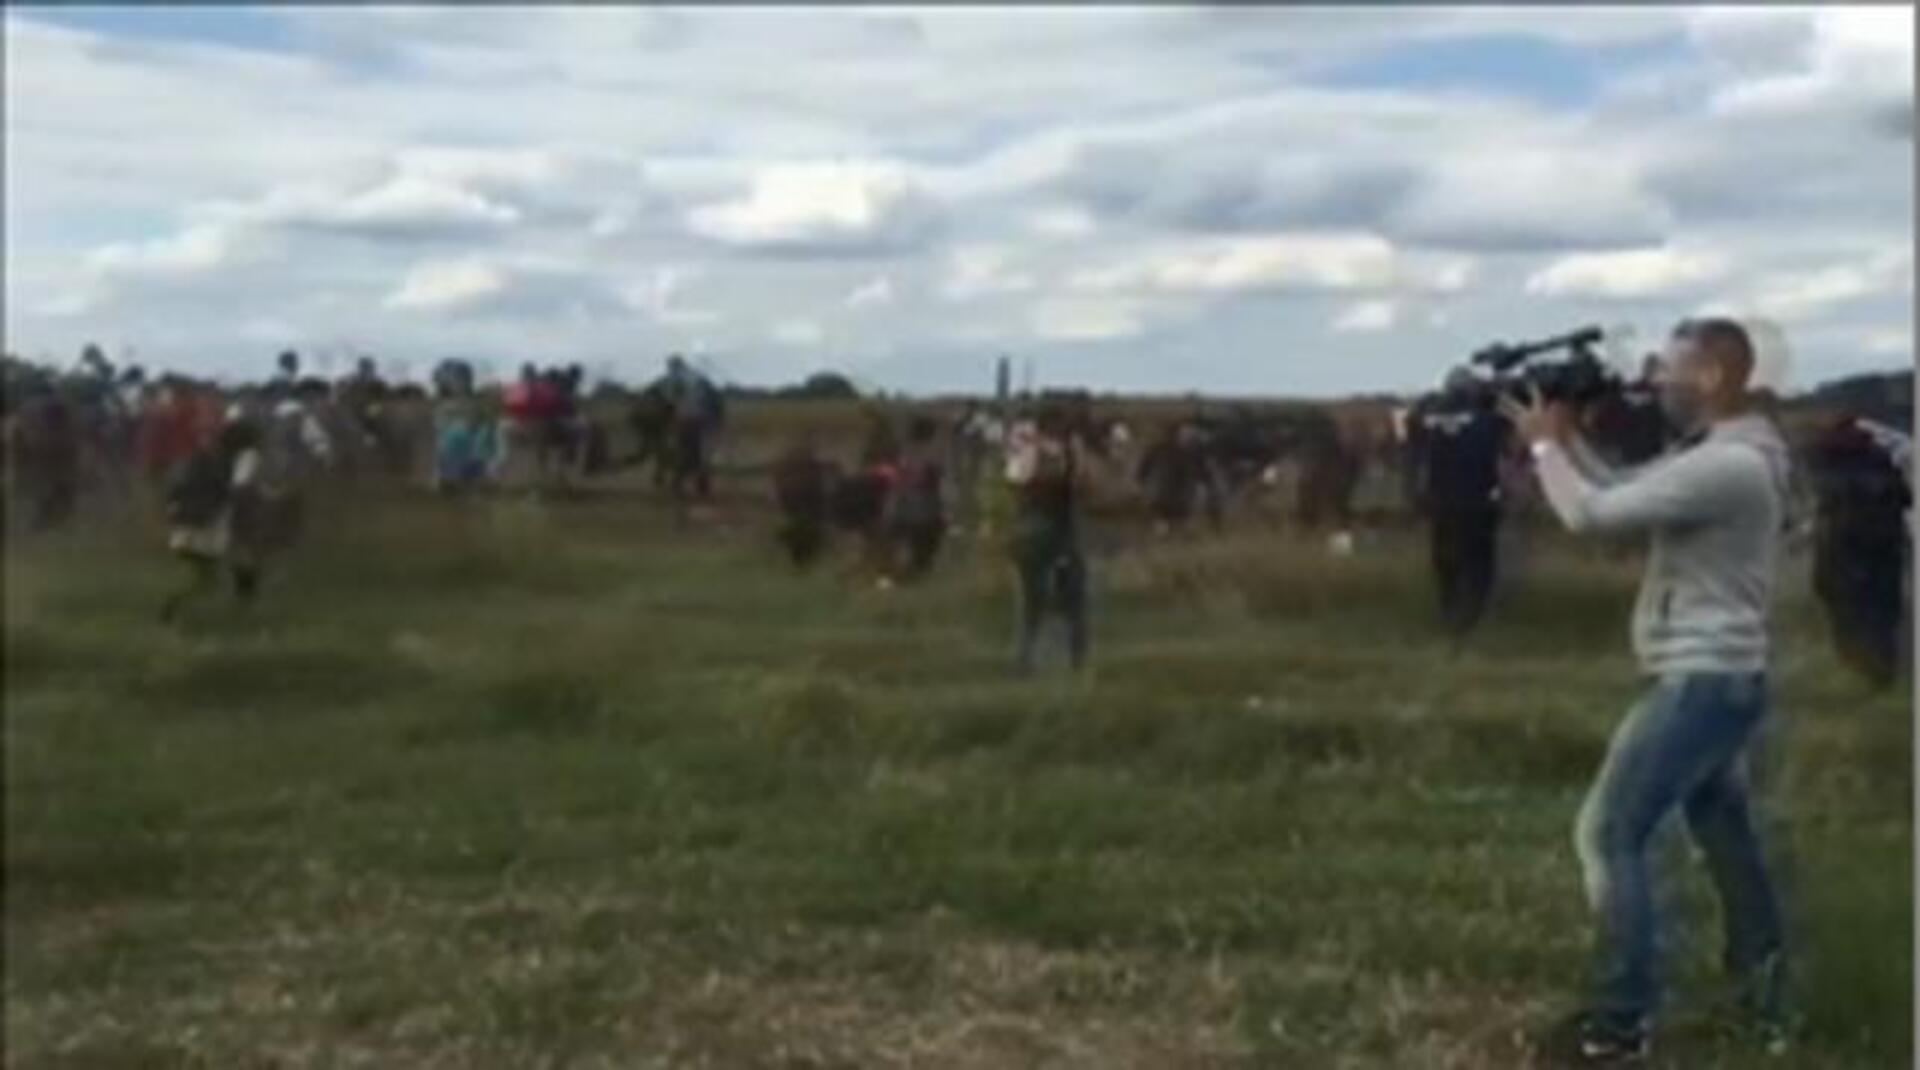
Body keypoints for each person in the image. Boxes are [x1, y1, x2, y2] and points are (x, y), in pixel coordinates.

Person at [1502, 317, 1793, 1063]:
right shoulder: (1726, 455)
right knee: (1726, 836)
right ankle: (1764, 995)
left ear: (1715, 377)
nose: (1655, 380)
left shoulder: (1729, 466)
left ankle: (1621, 1021)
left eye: (1670, 368)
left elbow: (1592, 517)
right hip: (1722, 676)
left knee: (1609, 833)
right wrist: (1565, 442)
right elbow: (1626, 491)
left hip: (1703, 678)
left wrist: (1542, 447)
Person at [1805, 411, 1911, 689]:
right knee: (1883, 608)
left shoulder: (1824, 458)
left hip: (1843, 544)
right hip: (1885, 541)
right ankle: (1881, 668)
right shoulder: (1880, 455)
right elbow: (1905, 497)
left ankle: (1860, 665)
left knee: (1846, 607)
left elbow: (1826, 502)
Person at [1406, 367, 1512, 639]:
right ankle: (1470, 618)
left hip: (1440, 501)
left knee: (1445, 559)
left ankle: (1449, 611)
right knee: (1479, 561)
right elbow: (1506, 427)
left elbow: (1411, 434)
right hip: (1478, 502)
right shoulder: (1486, 420)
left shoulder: (1427, 420)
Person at [160, 415, 269, 623]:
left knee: (210, 575)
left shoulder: (204, 458)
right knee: (221, 570)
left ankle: (175, 607)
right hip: (209, 526)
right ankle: (244, 606)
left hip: (187, 523)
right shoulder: (246, 456)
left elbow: (177, 489)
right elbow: (240, 487)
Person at [1008, 403, 1090, 674]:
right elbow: (1080, 484)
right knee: (1069, 597)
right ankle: (1071, 659)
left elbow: (1016, 481)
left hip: (1033, 528)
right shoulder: (1059, 452)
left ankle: (1029, 658)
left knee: (1035, 599)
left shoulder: (1025, 449)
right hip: (1053, 528)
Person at [887, 415, 948, 581]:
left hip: (904, 506)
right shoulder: (930, 456)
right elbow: (936, 483)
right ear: (928, 435)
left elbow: (897, 482)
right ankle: (915, 573)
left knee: (907, 544)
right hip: (924, 509)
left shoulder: (904, 453)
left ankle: (905, 573)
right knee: (924, 545)